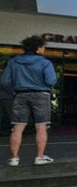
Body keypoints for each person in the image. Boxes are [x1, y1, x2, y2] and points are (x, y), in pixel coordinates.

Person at [1, 36, 57, 166]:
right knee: (41, 127)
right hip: (40, 95)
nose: (44, 49)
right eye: (43, 47)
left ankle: (14, 158)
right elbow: (51, 80)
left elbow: (5, 82)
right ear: (38, 48)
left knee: (17, 127)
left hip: (20, 94)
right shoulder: (45, 63)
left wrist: (17, 85)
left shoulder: (13, 62)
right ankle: (40, 156)